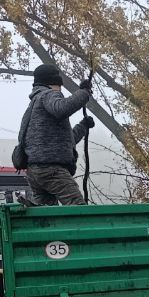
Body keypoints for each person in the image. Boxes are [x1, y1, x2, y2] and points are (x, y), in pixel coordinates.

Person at [21, 63, 95, 206]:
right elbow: (62, 108)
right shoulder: (48, 94)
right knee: (79, 211)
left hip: (35, 171)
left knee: (49, 218)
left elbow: (66, 141)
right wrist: (84, 92)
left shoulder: (34, 105)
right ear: (54, 82)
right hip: (51, 170)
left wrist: (83, 126)